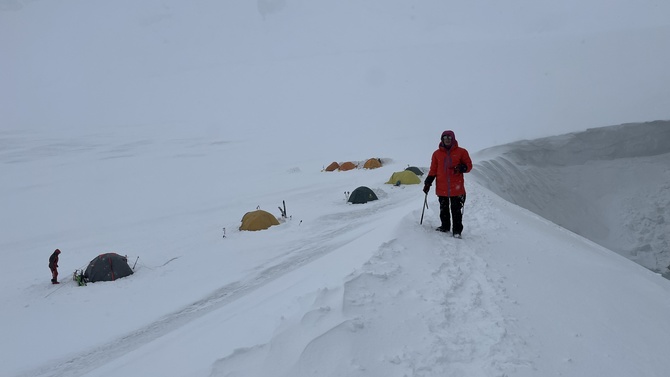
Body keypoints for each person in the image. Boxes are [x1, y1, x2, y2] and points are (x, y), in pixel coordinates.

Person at [423, 130, 472, 238]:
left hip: (456, 188)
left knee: (456, 210)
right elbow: (433, 170)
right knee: (443, 209)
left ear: (453, 139)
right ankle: (445, 226)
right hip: (442, 187)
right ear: (442, 140)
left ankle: (457, 231)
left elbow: (469, 166)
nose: (447, 140)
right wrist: (428, 182)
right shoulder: (436, 154)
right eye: (445, 138)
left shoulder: (462, 152)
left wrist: (461, 168)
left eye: (449, 138)